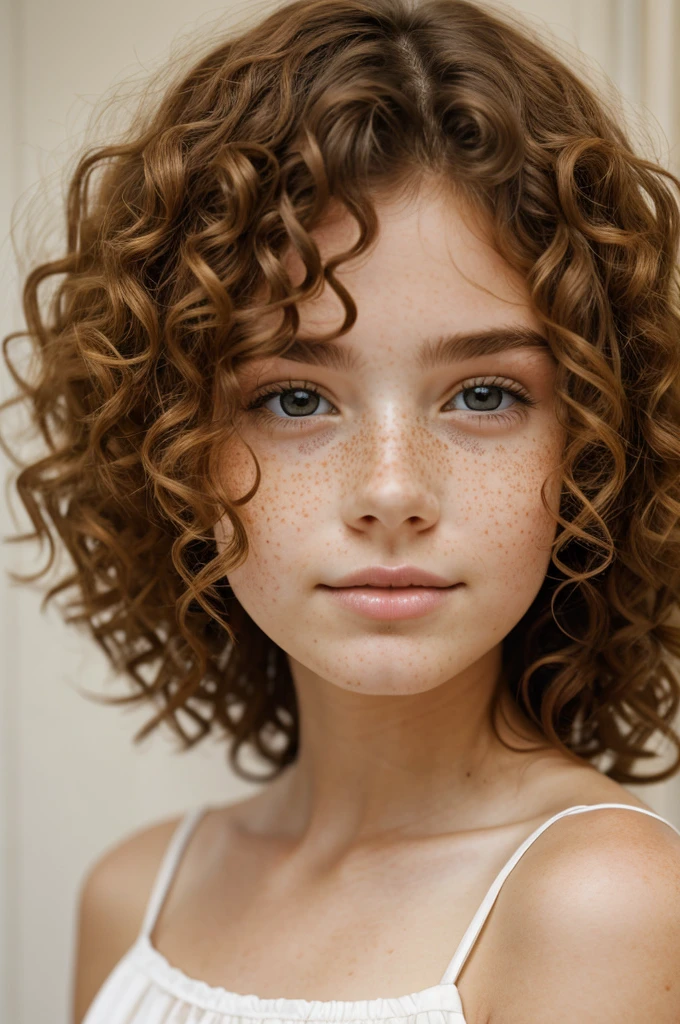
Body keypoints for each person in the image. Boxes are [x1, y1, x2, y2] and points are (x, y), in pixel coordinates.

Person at [2, 1, 680, 1022]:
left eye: (484, 394)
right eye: (294, 398)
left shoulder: (600, 901)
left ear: (591, 444)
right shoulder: (132, 897)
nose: (392, 492)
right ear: (170, 443)